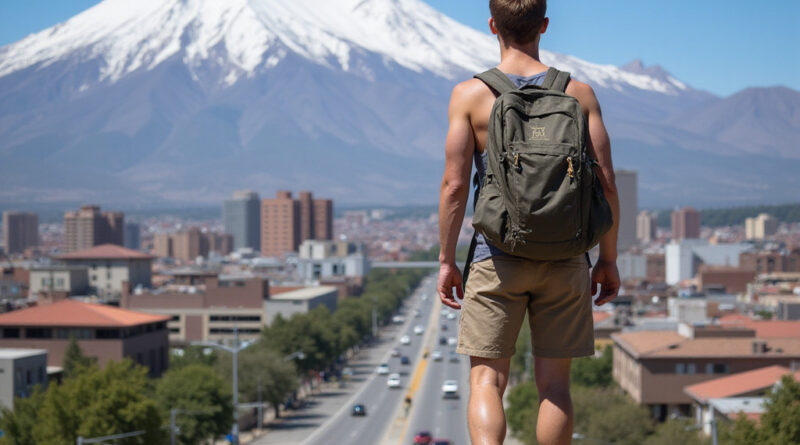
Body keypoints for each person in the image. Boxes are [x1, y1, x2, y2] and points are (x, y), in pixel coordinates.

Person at [436, 1, 621, 444]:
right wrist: (607, 260)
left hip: (496, 257)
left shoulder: (471, 95)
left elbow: (455, 187)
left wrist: (447, 260)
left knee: (487, 382)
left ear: (491, 25)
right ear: (544, 25)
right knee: (555, 387)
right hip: (567, 256)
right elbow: (607, 185)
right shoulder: (580, 94)